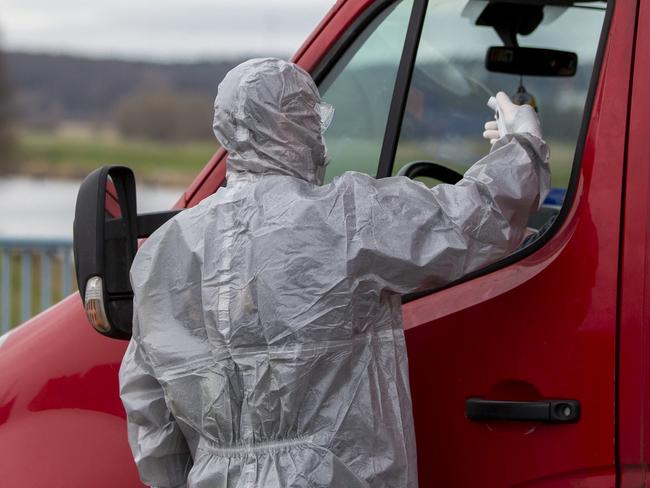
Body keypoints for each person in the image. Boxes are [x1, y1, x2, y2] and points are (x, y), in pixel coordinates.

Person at [119, 57, 550, 488]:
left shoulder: (164, 250)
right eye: (312, 118)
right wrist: (522, 144)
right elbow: (475, 220)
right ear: (299, 126)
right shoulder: (345, 216)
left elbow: (148, 407)